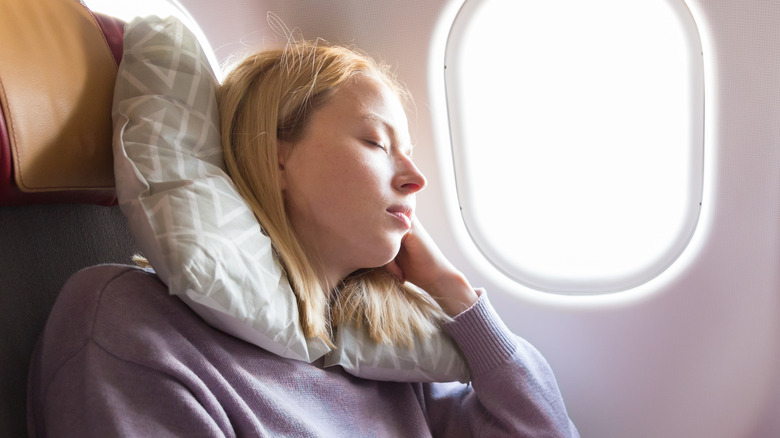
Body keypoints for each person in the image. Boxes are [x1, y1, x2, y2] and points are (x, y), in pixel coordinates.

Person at [27, 40, 579, 437]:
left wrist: (454, 293)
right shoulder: (133, 329)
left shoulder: (385, 357)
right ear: (277, 154)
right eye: (375, 142)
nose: (415, 177)